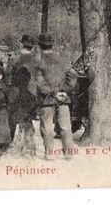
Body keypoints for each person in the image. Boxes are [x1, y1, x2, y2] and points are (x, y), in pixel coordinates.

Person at [34, 33, 78, 161]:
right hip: (64, 99)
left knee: (47, 127)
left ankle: (50, 153)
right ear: (52, 45)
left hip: (47, 99)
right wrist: (65, 91)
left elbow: (40, 84)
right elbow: (73, 76)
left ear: (39, 46)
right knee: (65, 127)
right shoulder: (63, 60)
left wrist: (54, 93)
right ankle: (69, 153)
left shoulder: (39, 63)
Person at [8, 35, 39, 157]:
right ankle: (30, 146)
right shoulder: (36, 60)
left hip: (16, 92)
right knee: (27, 119)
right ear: (32, 47)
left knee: (12, 119)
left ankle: (9, 144)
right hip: (32, 93)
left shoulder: (14, 59)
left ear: (21, 44)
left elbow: (8, 76)